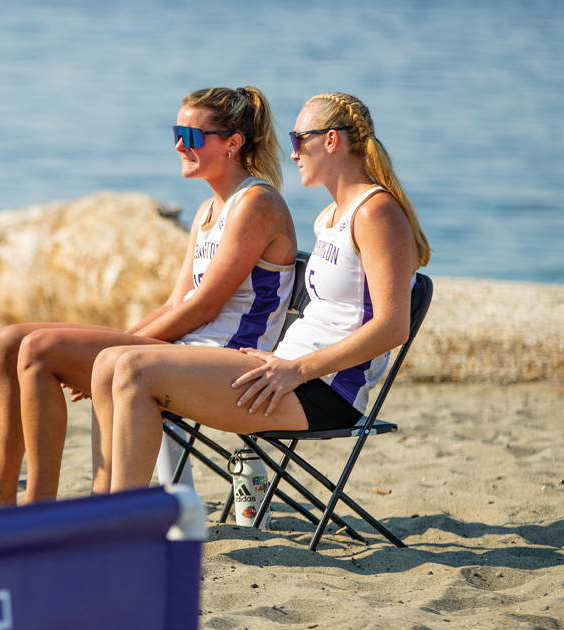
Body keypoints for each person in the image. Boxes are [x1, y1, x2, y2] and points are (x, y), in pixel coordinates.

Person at [0, 87, 298, 511]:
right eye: (177, 132)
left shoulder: (257, 203)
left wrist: (117, 347)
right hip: (189, 349)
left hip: (227, 359)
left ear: (233, 143)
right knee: (8, 341)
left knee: (39, 350)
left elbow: (204, 307)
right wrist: (119, 341)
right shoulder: (210, 211)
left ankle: (36, 512)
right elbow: (177, 303)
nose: (179, 144)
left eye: (193, 136)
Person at [95, 92, 431, 493]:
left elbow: (393, 327)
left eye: (298, 140)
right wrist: (285, 366)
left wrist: (296, 369)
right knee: (116, 363)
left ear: (330, 140)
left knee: (135, 370)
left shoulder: (376, 213)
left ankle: (122, 523)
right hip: (283, 372)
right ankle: (114, 512)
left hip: (322, 390)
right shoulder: (332, 217)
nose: (292, 154)